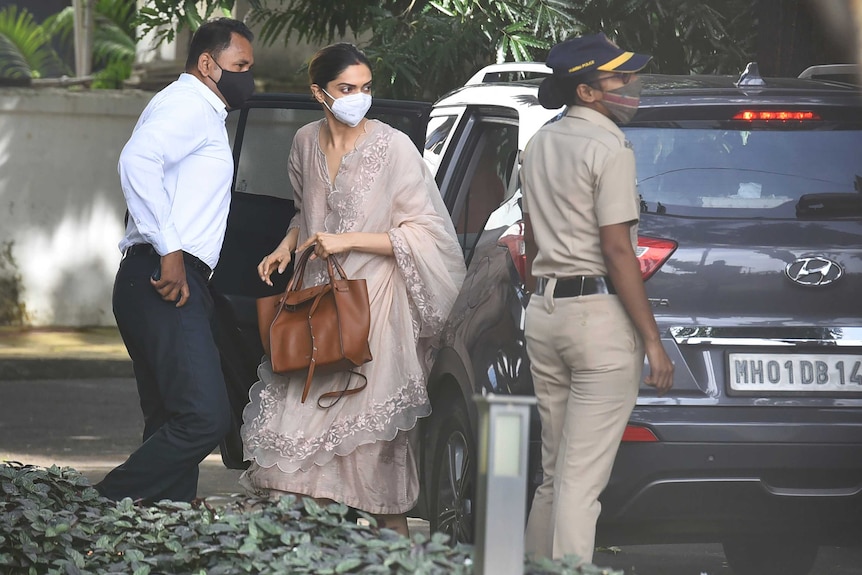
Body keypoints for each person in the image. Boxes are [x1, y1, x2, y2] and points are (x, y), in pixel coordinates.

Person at [239, 43, 465, 536]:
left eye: (365, 88)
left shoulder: (394, 146)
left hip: (377, 309)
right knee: (287, 454)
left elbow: (427, 231)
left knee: (373, 453)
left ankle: (396, 562)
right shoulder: (303, 142)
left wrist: (348, 241)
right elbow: (306, 213)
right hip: (318, 310)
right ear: (319, 93)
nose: (359, 98)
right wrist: (286, 246)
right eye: (347, 89)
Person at [520, 33, 675, 563]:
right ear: (586, 92)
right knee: (581, 483)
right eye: (619, 78)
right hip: (597, 321)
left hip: (545, 312)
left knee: (554, 475)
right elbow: (617, 249)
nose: (631, 86)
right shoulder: (609, 146)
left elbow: (532, 236)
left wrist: (540, 297)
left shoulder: (539, 143)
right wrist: (652, 342)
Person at [95, 18, 255, 503]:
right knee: (205, 416)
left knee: (170, 421)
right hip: (165, 280)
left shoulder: (197, 109)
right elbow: (136, 161)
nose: (249, 76)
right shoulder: (189, 105)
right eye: (240, 65)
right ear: (208, 63)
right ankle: (94, 507)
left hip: (164, 279)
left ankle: (162, 532)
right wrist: (169, 252)